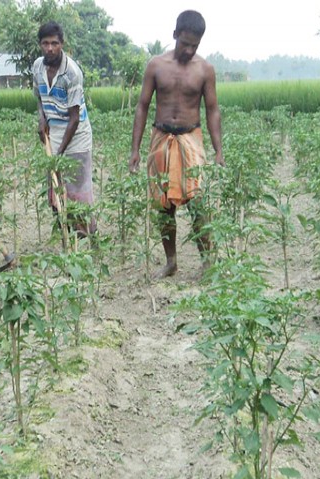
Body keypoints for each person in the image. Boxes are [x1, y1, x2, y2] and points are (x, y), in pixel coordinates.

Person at [129, 10, 225, 278]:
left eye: (195, 45)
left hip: (190, 139)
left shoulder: (205, 69)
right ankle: (171, 262)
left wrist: (219, 150)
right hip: (161, 138)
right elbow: (142, 106)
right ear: (174, 35)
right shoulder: (156, 65)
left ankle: (207, 262)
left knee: (197, 201)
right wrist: (135, 150)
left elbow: (213, 110)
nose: (189, 50)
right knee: (163, 204)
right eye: (185, 43)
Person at [32, 21, 97, 238]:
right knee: (56, 193)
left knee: (79, 194)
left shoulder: (72, 73)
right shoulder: (37, 67)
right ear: (40, 45)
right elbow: (39, 98)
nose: (50, 48)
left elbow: (75, 119)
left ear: (62, 44)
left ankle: (91, 241)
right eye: (45, 43)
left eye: (54, 43)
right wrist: (42, 119)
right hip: (54, 133)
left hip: (76, 136)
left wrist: (58, 155)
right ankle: (66, 241)